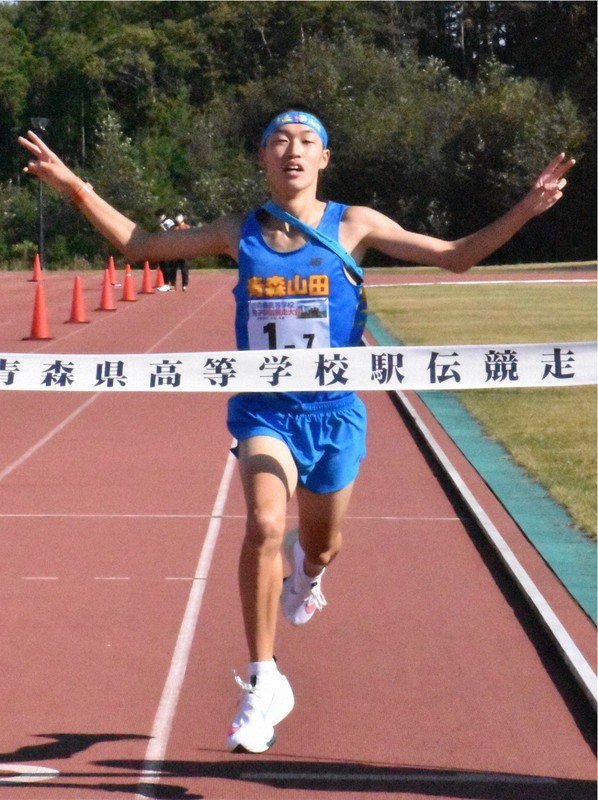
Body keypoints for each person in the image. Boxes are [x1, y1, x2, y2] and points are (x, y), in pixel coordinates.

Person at [18, 109, 574, 754]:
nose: (293, 151)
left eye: (307, 142)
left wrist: (526, 211)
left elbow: (455, 258)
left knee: (323, 543)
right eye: (279, 141)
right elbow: (142, 246)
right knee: (261, 523)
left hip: (334, 414)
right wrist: (77, 189)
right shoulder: (239, 230)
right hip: (264, 411)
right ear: (261, 158)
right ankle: (263, 681)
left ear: (325, 160)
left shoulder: (355, 223)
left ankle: (309, 576)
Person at [155, 210, 177, 292]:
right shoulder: (161, 223)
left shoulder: (168, 222)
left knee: (167, 265)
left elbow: (171, 233)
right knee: (163, 265)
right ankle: (167, 284)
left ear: (164, 215)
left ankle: (168, 284)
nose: (159, 218)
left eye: (160, 216)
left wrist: (163, 228)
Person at [172, 211, 191, 291]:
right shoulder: (174, 228)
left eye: (180, 216)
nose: (178, 218)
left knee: (184, 269)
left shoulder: (187, 227)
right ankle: (173, 284)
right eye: (177, 216)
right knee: (173, 268)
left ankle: (184, 284)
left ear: (183, 217)